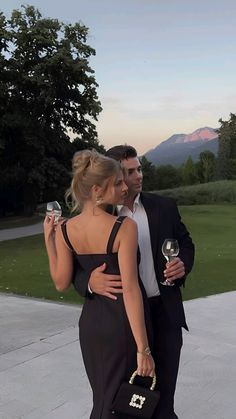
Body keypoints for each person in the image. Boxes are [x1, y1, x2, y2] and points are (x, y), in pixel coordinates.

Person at [73, 145, 195, 419]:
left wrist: (183, 264)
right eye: (129, 172)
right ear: (112, 177)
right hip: (123, 326)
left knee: (164, 398)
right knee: (126, 403)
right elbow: (75, 271)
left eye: (139, 168)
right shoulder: (100, 216)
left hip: (164, 313)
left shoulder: (164, 206)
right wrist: (89, 282)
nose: (138, 175)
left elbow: (186, 243)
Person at [43, 149, 155, 419]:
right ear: (96, 190)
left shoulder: (67, 229)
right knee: (123, 405)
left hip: (91, 327)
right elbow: (130, 289)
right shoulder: (124, 227)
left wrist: (49, 240)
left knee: (104, 396)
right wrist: (144, 348)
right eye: (117, 182)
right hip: (122, 328)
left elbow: (60, 283)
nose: (124, 186)